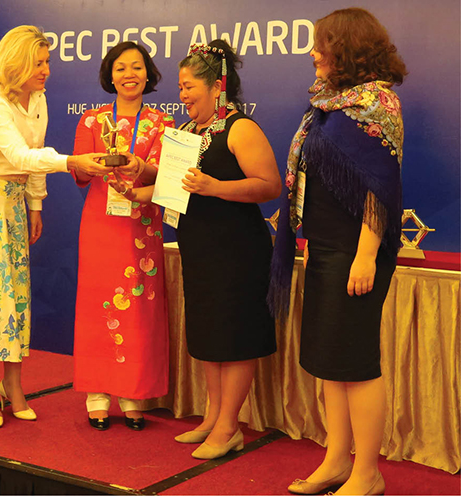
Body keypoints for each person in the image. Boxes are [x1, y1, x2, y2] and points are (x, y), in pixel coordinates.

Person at [0, 25, 111, 428]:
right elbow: (18, 155)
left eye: (47, 62)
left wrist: (35, 205)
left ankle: (12, 384)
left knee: (13, 294)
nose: (46, 70)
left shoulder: (39, 98)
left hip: (11, 200)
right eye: (38, 63)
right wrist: (72, 162)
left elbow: (33, 154)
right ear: (16, 63)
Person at [112, 39, 281, 454]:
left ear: (216, 87)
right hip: (199, 248)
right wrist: (137, 186)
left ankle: (229, 427)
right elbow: (170, 184)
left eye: (189, 87)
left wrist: (215, 187)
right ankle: (212, 417)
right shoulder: (187, 132)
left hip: (238, 250)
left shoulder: (240, 128)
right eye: (180, 87)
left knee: (235, 337)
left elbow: (270, 185)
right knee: (208, 335)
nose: (182, 95)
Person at [269, 8, 406, 495]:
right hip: (325, 248)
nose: (312, 53)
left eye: (320, 44)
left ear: (346, 48)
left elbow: (380, 189)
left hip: (358, 251)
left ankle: (367, 473)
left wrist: (366, 255)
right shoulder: (327, 104)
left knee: (355, 363)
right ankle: (336, 461)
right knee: (330, 361)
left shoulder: (377, 104)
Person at [72, 41, 174, 431]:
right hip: (101, 223)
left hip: (141, 227)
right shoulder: (92, 120)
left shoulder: (162, 123)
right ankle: (97, 394)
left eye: (136, 67)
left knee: (138, 310)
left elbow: (165, 176)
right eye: (120, 68)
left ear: (148, 74)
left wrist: (140, 167)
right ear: (109, 76)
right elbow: (79, 172)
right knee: (97, 305)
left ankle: (132, 393)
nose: (129, 74)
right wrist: (93, 165)